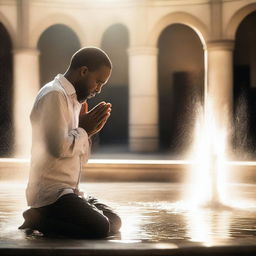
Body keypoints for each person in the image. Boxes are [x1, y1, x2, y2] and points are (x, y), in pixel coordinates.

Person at [19, 47, 122, 238]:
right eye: (98, 82)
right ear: (83, 71)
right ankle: (38, 217)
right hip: (51, 195)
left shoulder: (74, 100)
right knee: (100, 228)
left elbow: (80, 160)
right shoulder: (55, 95)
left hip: (69, 191)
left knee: (114, 221)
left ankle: (49, 216)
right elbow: (57, 148)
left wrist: (87, 133)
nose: (98, 89)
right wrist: (84, 131)